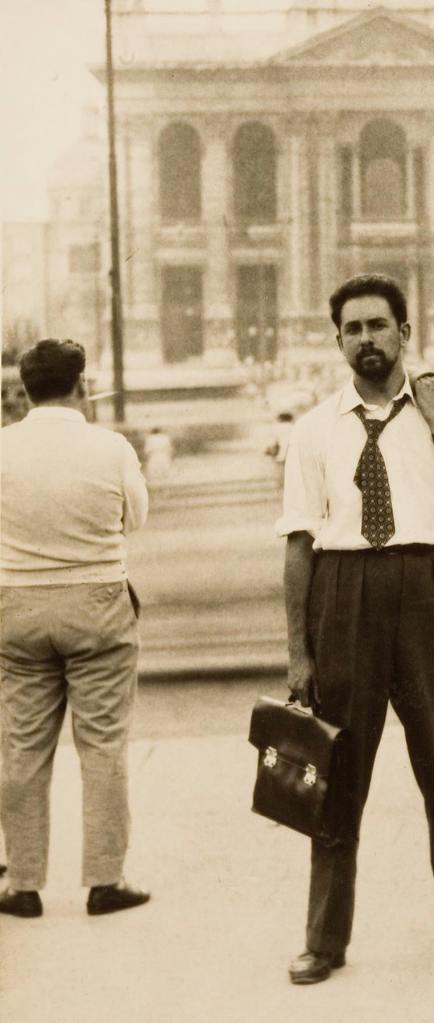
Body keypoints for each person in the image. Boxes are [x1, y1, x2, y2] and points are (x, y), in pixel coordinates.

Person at [275, 274, 434, 985]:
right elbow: (298, 543)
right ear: (338, 341)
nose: (366, 339)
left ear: (404, 332)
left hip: (425, 590)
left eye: (378, 325)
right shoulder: (314, 428)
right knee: (337, 776)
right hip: (342, 594)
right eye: (352, 329)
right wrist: (299, 652)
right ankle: (323, 939)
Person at [0, 339, 150, 919]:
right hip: (97, 601)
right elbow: (135, 517)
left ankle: (23, 884)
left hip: (18, 604)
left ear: (25, 389)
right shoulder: (110, 447)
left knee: (22, 748)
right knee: (103, 744)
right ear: (82, 384)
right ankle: (105, 881)